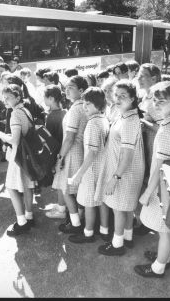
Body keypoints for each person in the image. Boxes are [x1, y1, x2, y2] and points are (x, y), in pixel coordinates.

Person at [135, 81, 170, 277]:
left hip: (166, 187)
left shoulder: (166, 130)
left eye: (161, 101)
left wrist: (147, 193)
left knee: (165, 229)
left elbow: (160, 167)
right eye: (154, 100)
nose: (156, 104)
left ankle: (158, 267)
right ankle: (165, 257)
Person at [94, 80, 145, 256]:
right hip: (124, 170)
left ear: (132, 98)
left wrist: (114, 179)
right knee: (126, 207)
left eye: (123, 95)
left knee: (119, 209)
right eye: (116, 95)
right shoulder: (124, 115)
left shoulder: (130, 120)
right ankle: (128, 238)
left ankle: (117, 245)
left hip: (124, 171)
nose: (118, 98)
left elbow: (127, 155)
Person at [67, 87, 109, 243]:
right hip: (102, 167)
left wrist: (79, 174)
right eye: (84, 103)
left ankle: (88, 234)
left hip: (91, 169)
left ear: (98, 105)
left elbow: (91, 153)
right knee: (101, 201)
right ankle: (104, 231)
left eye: (88, 104)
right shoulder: (103, 119)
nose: (84, 107)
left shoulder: (92, 124)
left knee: (89, 203)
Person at [0, 84, 36, 236]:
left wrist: (1, 135)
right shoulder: (25, 110)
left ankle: (21, 223)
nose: (5, 100)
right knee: (27, 185)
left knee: (12, 188)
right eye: (4, 97)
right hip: (28, 154)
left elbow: (15, 140)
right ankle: (29, 216)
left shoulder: (14, 114)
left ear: (18, 97)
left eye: (8, 98)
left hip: (18, 156)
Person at [52, 76, 89, 234]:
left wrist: (60, 158)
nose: (66, 90)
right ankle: (78, 219)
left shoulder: (76, 109)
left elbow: (69, 137)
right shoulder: (84, 106)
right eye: (66, 87)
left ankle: (75, 224)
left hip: (72, 151)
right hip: (80, 151)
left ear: (81, 91)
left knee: (67, 190)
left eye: (71, 87)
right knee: (76, 190)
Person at [43, 85, 68, 219]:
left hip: (58, 154)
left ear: (51, 98)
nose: (44, 100)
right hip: (64, 151)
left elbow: (49, 139)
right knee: (62, 183)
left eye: (45, 97)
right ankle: (60, 206)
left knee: (60, 183)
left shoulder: (51, 116)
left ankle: (61, 209)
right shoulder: (64, 112)